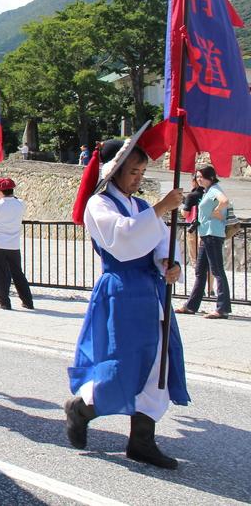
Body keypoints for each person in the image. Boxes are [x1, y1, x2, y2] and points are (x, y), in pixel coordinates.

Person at [66, 131, 189, 470]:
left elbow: (160, 241)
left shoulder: (141, 206)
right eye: (133, 172)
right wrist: (163, 207)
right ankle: (82, 408)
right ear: (114, 171)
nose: (138, 179)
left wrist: (168, 263)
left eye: (142, 173)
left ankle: (142, 441)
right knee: (121, 364)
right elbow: (123, 239)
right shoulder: (99, 203)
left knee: (156, 365)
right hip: (120, 290)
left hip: (150, 292)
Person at [176, 165, 232, 319]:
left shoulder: (214, 189)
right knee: (200, 272)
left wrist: (217, 211)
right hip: (206, 235)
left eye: (202, 176)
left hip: (212, 235)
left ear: (211, 177)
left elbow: (224, 201)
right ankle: (191, 306)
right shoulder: (208, 191)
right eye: (197, 176)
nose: (199, 179)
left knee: (217, 271)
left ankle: (222, 309)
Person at [0, 178, 34, 310]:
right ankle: (27, 301)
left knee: (0, 274)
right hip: (13, 245)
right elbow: (14, 201)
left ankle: (4, 302)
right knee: (17, 274)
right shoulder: (20, 203)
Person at [181, 174, 205, 277]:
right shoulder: (210, 194)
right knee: (207, 259)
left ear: (194, 181)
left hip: (194, 228)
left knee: (195, 258)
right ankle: (210, 288)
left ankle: (199, 284)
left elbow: (186, 213)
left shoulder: (192, 196)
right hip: (207, 228)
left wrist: (182, 210)